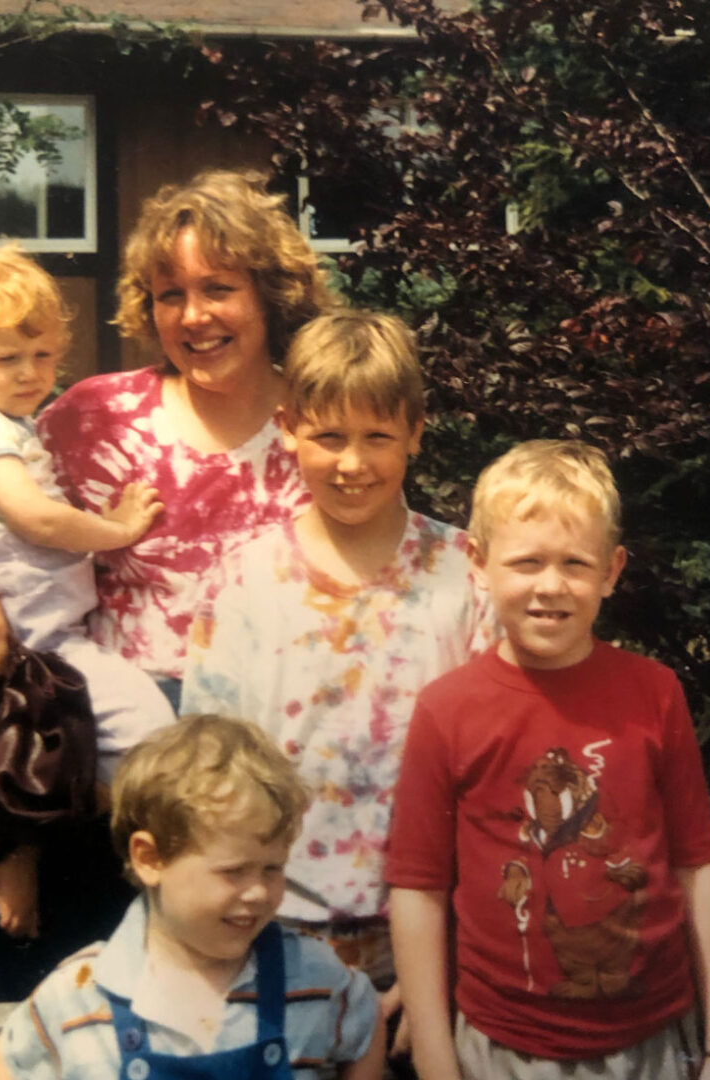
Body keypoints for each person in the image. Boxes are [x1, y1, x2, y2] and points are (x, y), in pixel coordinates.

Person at [0, 170, 335, 1003]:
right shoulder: (94, 413)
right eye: (168, 293)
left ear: (272, 294)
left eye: (220, 288)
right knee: (37, 1023)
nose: (194, 315)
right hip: (79, 743)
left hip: (252, 776)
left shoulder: (323, 425)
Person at [386, 439, 710, 1080]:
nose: (551, 585)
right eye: (527, 562)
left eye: (576, 563)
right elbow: (418, 888)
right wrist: (436, 1055)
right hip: (502, 1044)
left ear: (611, 569)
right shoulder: (447, 709)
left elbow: (697, 867)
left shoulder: (654, 693)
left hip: (655, 1037)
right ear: (479, 563)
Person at [181, 310, 496, 993]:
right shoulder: (244, 579)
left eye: (377, 436)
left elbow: (497, 768)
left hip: (435, 925)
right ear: (289, 427)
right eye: (328, 437)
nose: (352, 464)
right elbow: (208, 770)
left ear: (415, 430)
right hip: (277, 928)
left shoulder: (465, 573)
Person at [0, 243, 174, 941]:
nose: (31, 374)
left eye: (45, 356)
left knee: (26, 749)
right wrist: (118, 529)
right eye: (7, 359)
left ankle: (22, 845)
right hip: (33, 634)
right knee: (142, 728)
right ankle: (141, 853)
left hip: (40, 627)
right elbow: (35, 517)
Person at [0, 714, 386, 1080]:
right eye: (233, 871)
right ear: (150, 858)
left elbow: (366, 1022)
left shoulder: (310, 975)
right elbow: (9, 1060)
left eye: (273, 868)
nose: (259, 892)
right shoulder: (83, 994)